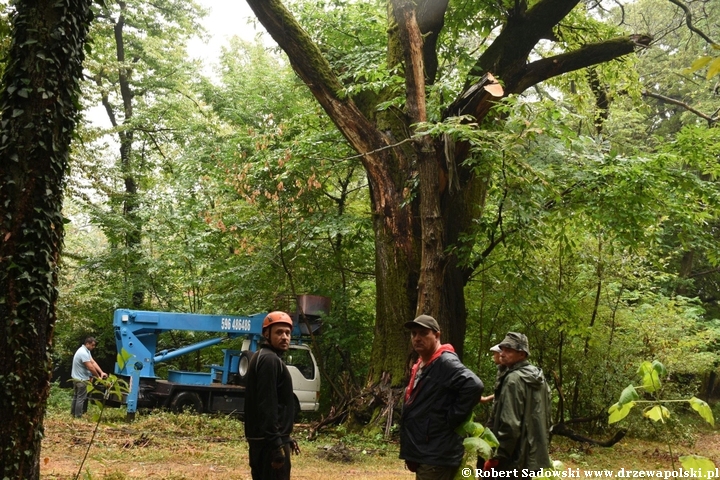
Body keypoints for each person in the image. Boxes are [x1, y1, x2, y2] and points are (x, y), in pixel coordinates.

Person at [400, 315, 484, 480]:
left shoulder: (445, 361)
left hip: (437, 451)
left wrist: (452, 418)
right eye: (414, 333)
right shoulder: (424, 363)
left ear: (437, 335)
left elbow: (474, 385)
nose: (417, 338)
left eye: (423, 333)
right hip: (426, 449)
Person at [484, 332, 552, 476]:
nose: (502, 354)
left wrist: (497, 457)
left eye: (508, 350)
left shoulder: (513, 380)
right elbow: (548, 419)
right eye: (502, 349)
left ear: (522, 354)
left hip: (513, 457)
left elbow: (510, 425)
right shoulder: (538, 376)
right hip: (532, 455)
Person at [244, 311, 300, 480]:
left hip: (266, 441)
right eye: (279, 332)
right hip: (268, 445)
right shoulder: (269, 360)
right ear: (266, 334)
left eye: (288, 333)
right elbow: (267, 405)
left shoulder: (264, 357)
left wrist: (285, 437)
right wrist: (276, 445)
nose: (284, 337)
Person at [70, 336, 107, 418]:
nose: (94, 347)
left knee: (76, 396)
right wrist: (98, 377)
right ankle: (78, 416)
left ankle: (73, 414)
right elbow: (90, 367)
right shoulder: (83, 353)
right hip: (81, 379)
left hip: (76, 378)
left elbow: (93, 362)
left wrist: (101, 372)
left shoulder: (86, 351)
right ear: (87, 344)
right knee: (81, 398)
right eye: (92, 345)